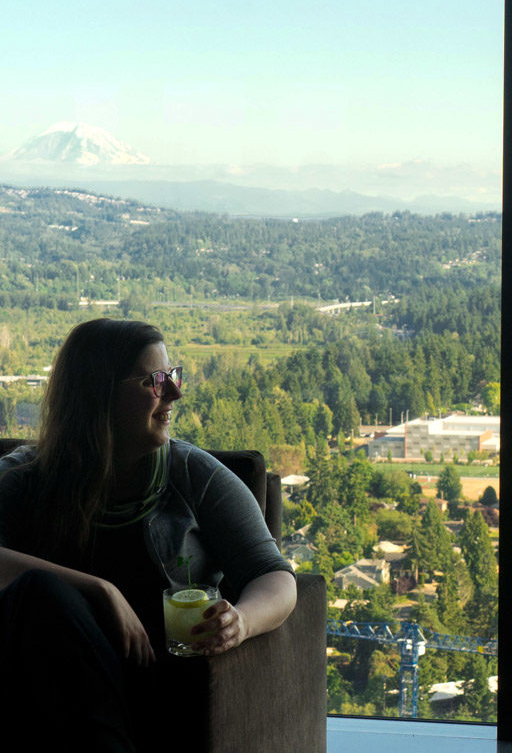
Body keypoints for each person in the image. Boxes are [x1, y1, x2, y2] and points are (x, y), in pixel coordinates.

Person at [0, 318, 297, 751]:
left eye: (172, 376)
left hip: (153, 690)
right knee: (40, 594)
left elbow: (276, 576)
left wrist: (242, 622)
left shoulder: (194, 477)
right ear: (97, 394)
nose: (174, 393)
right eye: (153, 382)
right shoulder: (26, 479)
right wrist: (100, 591)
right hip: (47, 693)